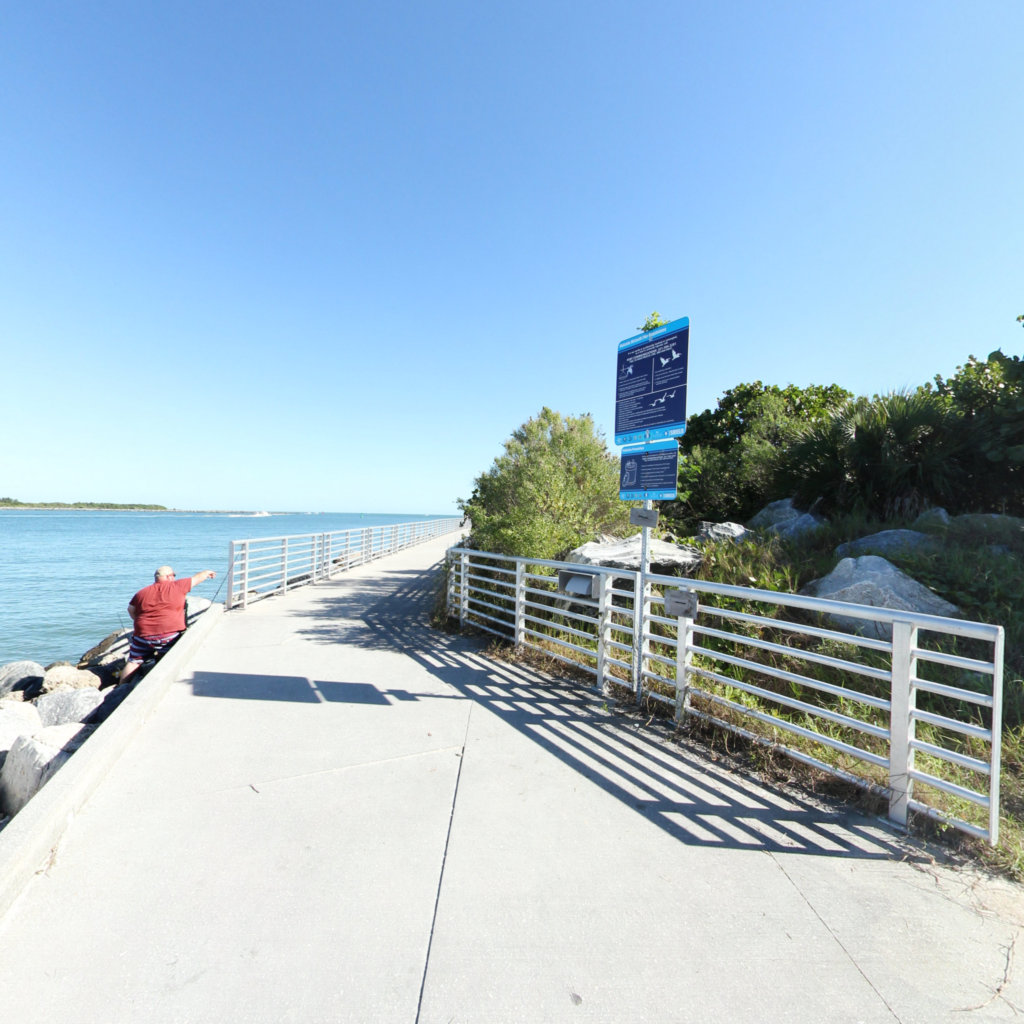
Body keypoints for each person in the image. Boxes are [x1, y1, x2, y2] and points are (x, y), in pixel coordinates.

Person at [120, 565, 216, 683]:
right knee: (169, 657)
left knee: (133, 662)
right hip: (169, 635)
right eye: (174, 575)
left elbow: (130, 609)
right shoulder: (178, 586)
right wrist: (207, 572)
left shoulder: (141, 593)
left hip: (143, 636)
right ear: (169, 577)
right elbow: (197, 578)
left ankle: (121, 687)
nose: (175, 578)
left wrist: (139, 622)